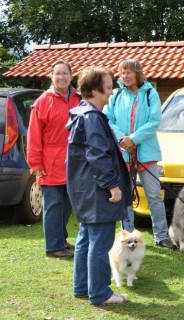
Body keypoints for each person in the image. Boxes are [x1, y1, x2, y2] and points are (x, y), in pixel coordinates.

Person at [66, 66, 131, 305]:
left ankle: (82, 287)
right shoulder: (92, 117)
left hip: (85, 189)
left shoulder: (82, 114)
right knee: (100, 242)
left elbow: (93, 152)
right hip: (97, 191)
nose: (112, 89)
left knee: (86, 239)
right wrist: (112, 186)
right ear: (95, 89)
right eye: (108, 84)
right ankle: (100, 294)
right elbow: (97, 155)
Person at [103, 59, 175, 250]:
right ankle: (127, 238)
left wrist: (134, 139)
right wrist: (122, 139)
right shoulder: (116, 95)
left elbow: (154, 121)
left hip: (146, 153)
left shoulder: (151, 93)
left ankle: (161, 236)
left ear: (137, 74)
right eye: (122, 72)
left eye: (129, 72)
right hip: (122, 153)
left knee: (154, 195)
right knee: (125, 196)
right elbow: (108, 119)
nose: (125, 76)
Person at [27, 60, 81, 258]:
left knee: (67, 205)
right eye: (57, 74)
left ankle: (61, 240)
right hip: (50, 163)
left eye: (65, 73)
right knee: (52, 206)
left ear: (71, 75)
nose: (62, 77)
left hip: (73, 163)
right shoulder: (42, 101)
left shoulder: (77, 98)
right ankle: (53, 247)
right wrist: (35, 164)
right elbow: (33, 136)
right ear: (51, 76)